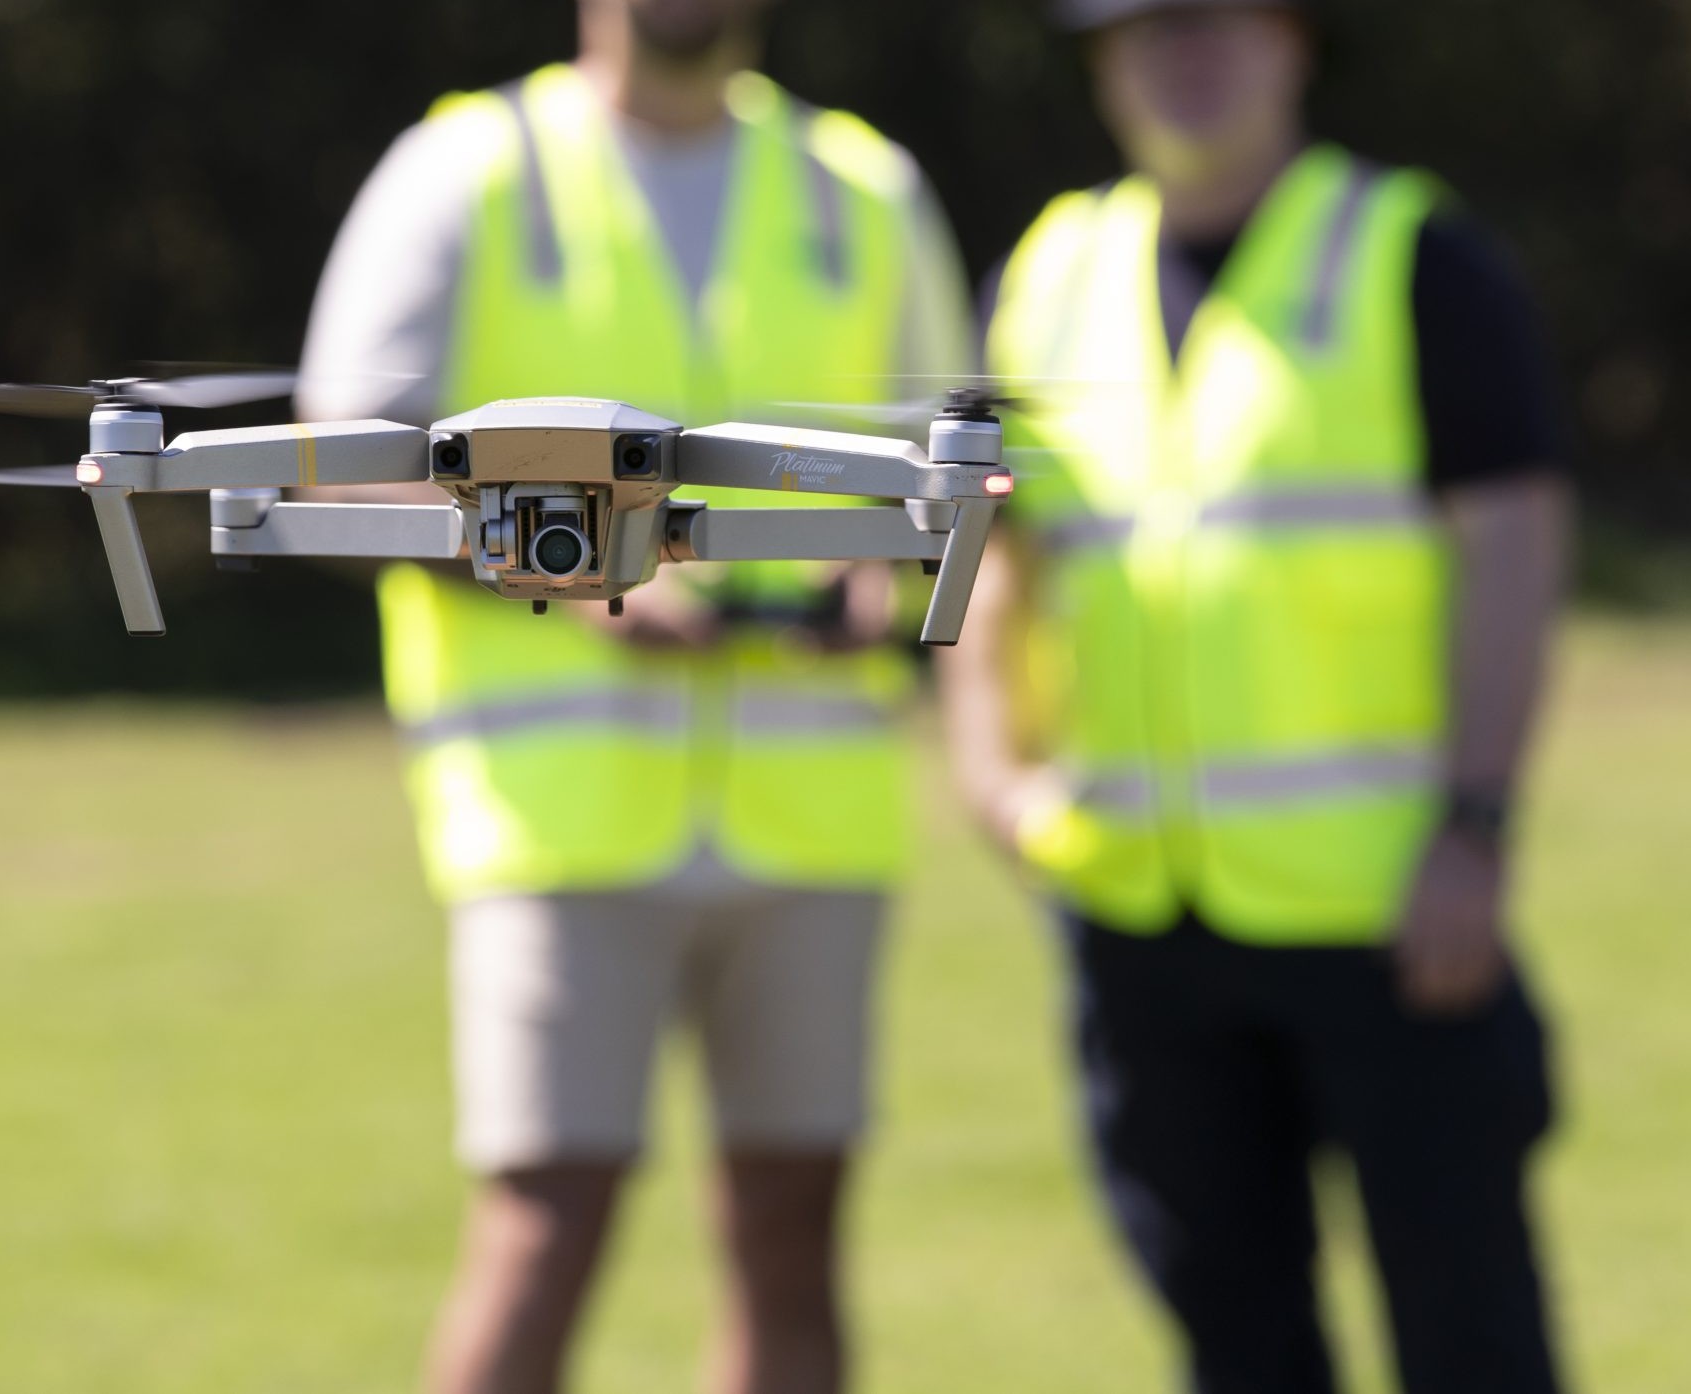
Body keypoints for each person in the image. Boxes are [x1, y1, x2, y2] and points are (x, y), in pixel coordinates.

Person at [296, 1, 976, 1389]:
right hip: (559, 824)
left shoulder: (863, 186)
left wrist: (879, 580)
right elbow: (338, 469)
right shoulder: (468, 170)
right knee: (543, 1226)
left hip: (810, 816)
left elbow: (955, 473)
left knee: (793, 1241)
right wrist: (570, 573)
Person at [944, 1, 1573, 1390]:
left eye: (1216, 20)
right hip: (1138, 921)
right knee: (1230, 1338)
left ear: (1292, 39)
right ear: (1101, 61)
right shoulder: (1045, 276)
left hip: (1389, 908)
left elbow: (1513, 550)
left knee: (1468, 1331)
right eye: (1145, 29)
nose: (1184, 53)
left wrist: (1473, 824)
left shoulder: (1410, 254)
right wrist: (989, 767)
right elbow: (989, 550)